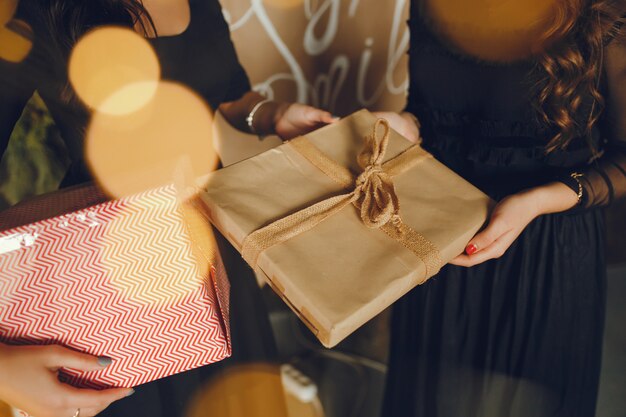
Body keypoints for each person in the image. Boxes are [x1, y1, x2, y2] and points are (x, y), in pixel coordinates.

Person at [0, 1, 334, 417]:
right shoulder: (34, 10)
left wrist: (273, 115)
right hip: (112, 276)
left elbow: (229, 92)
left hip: (217, 246)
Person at [377, 0, 626, 416]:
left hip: (547, 251)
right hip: (442, 237)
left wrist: (537, 201)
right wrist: (403, 125)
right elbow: (427, 110)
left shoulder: (603, 13)